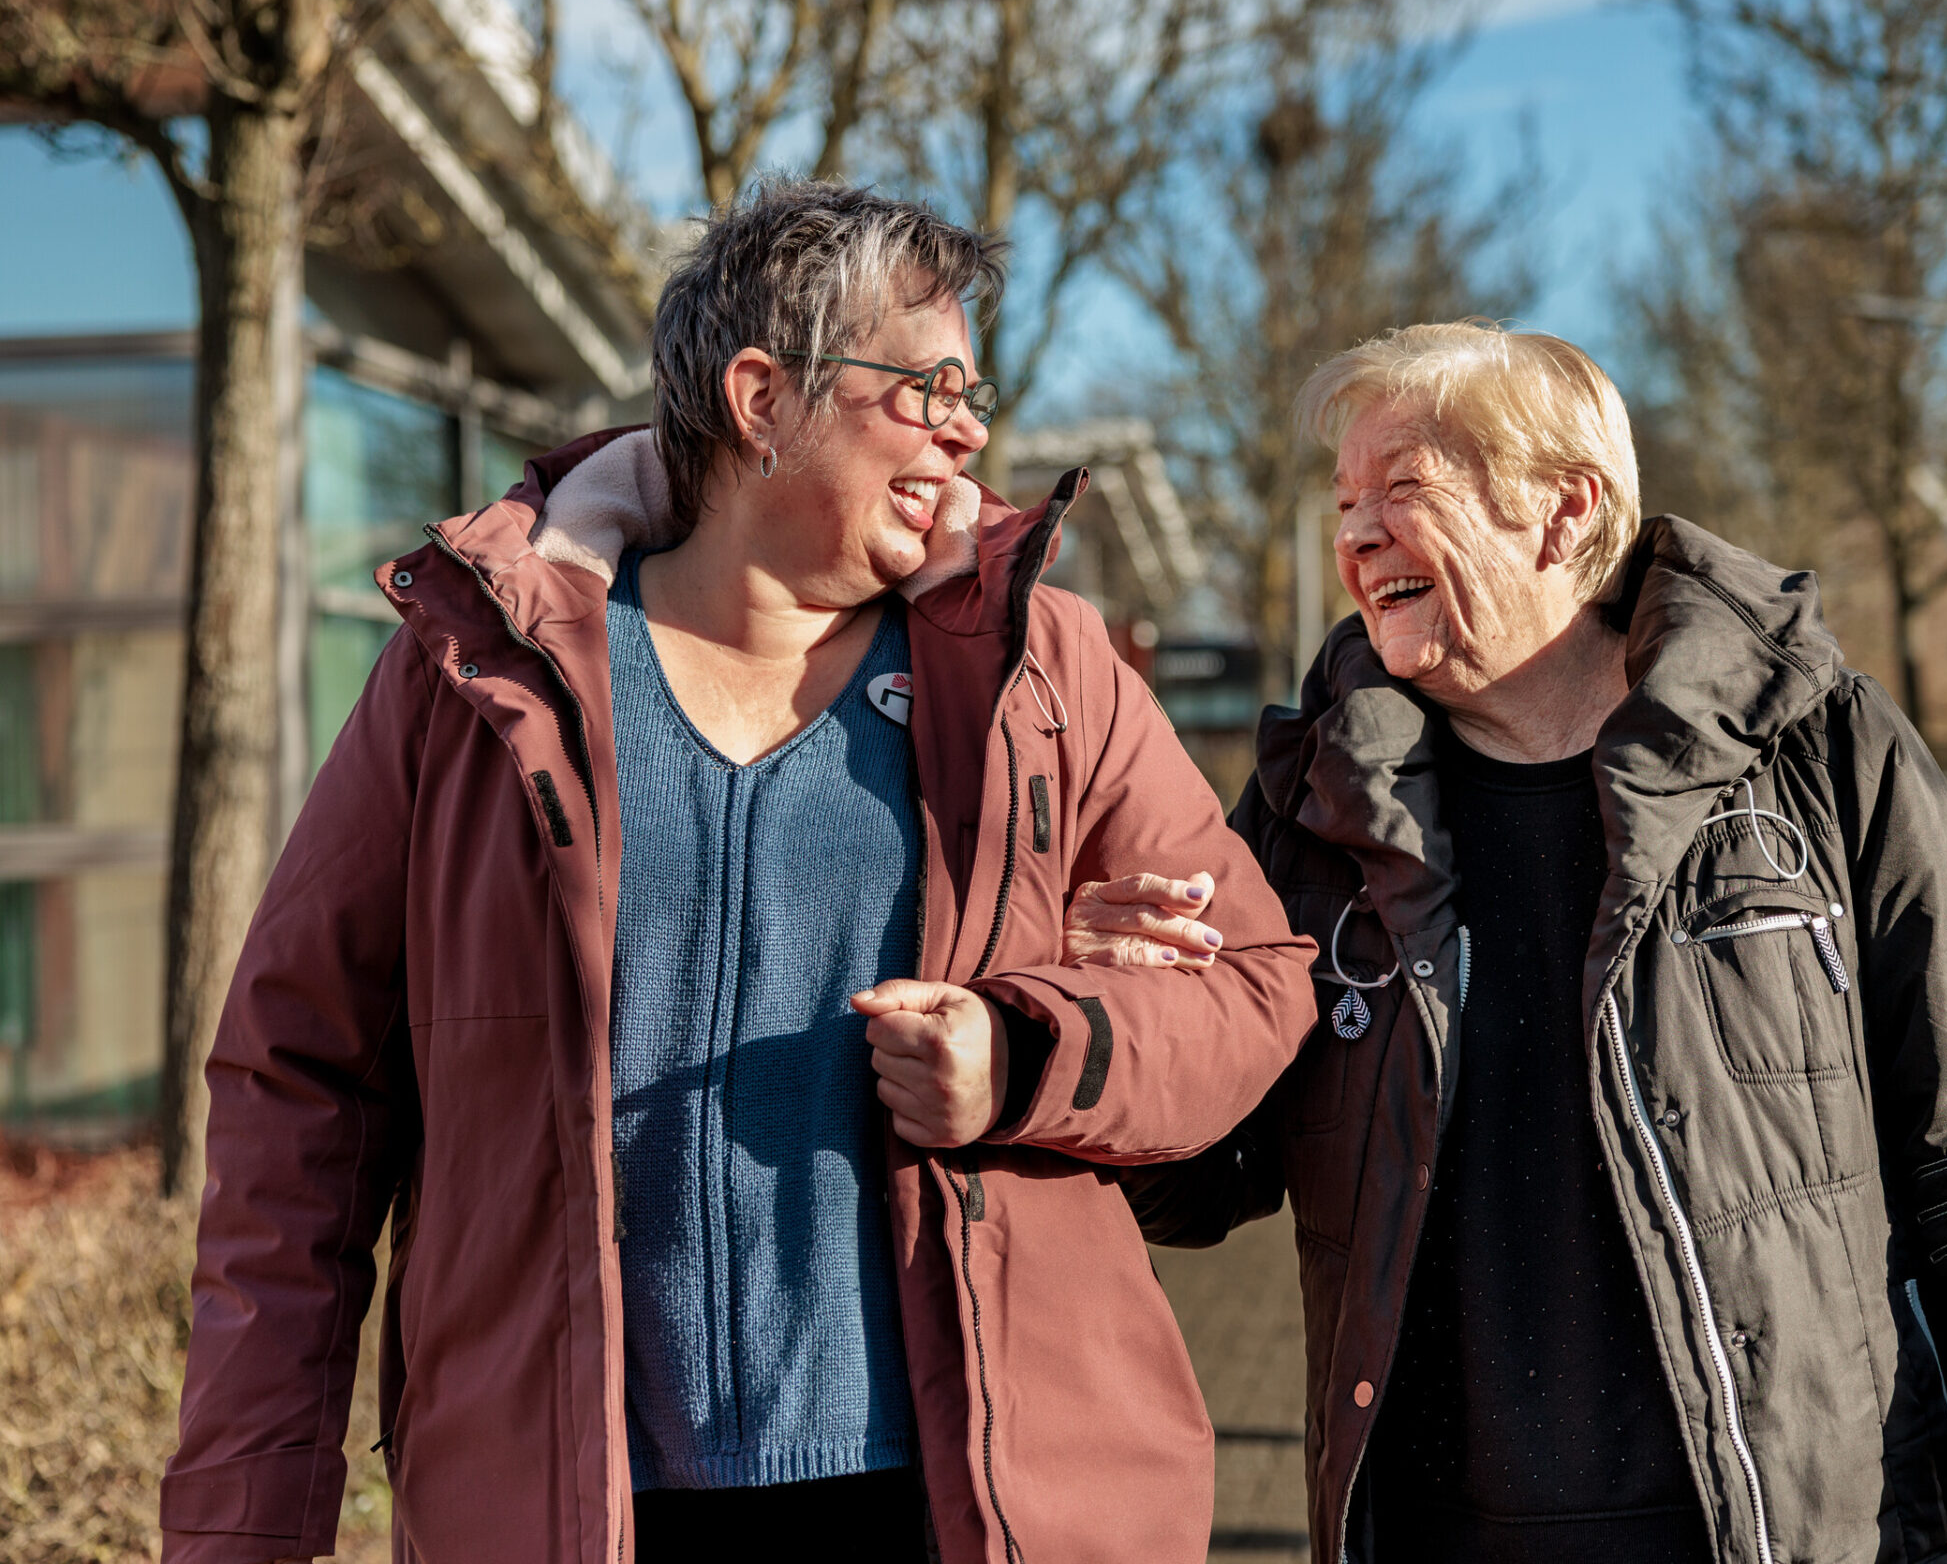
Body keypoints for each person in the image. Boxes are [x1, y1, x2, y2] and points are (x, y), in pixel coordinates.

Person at [159, 179, 1315, 1564]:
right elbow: (299, 1086)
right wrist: (242, 1531)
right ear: (762, 399)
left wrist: (1025, 1050)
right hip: (566, 1507)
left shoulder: (1040, 669)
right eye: (926, 383)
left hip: (974, 1502)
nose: (970, 427)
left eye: (976, 387)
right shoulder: (471, 680)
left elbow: (1257, 988)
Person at [1084, 322, 1947, 1564]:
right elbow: (1201, 1177)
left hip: (1803, 1531)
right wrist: (1123, 1023)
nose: (1352, 536)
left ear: (1564, 512)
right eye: (1343, 501)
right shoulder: (1307, 817)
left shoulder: (1819, 751)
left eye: (1401, 492)